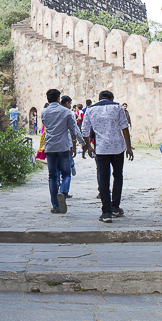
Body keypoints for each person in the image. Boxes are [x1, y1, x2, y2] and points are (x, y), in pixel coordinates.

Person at [80, 90, 133, 223]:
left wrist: (88, 146)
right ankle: (115, 206)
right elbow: (124, 127)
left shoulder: (90, 110)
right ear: (111, 98)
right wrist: (128, 147)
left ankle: (106, 212)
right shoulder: (117, 106)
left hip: (101, 148)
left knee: (103, 179)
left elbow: (84, 129)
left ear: (99, 98)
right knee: (118, 175)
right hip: (118, 147)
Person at [40, 89, 81, 214]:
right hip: (63, 146)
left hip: (50, 147)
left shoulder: (44, 112)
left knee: (52, 177)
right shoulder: (66, 112)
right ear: (59, 99)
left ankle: (56, 205)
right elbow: (73, 130)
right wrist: (74, 146)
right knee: (66, 173)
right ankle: (63, 192)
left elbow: (46, 125)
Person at [60, 95, 78, 181]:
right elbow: (74, 130)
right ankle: (63, 190)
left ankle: (57, 182)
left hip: (53, 144)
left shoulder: (47, 112)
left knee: (56, 167)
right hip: (67, 142)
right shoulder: (69, 113)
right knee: (66, 168)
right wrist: (81, 143)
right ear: (67, 103)